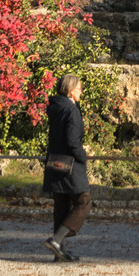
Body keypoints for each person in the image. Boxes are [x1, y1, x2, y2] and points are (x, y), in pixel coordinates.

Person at [42, 73, 90, 262]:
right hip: (70, 164)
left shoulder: (56, 108)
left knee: (61, 206)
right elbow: (72, 141)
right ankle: (57, 240)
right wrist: (82, 156)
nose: (81, 91)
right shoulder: (71, 110)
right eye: (79, 88)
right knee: (83, 201)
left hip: (54, 162)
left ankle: (58, 253)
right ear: (71, 91)